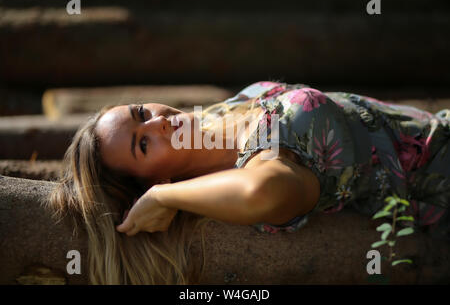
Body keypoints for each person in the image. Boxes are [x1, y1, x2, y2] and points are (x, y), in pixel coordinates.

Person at [49, 81, 450, 284]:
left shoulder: (219, 113)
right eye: (143, 144)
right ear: (158, 178)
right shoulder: (256, 169)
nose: (159, 121)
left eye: (141, 112)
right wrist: (163, 197)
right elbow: (261, 192)